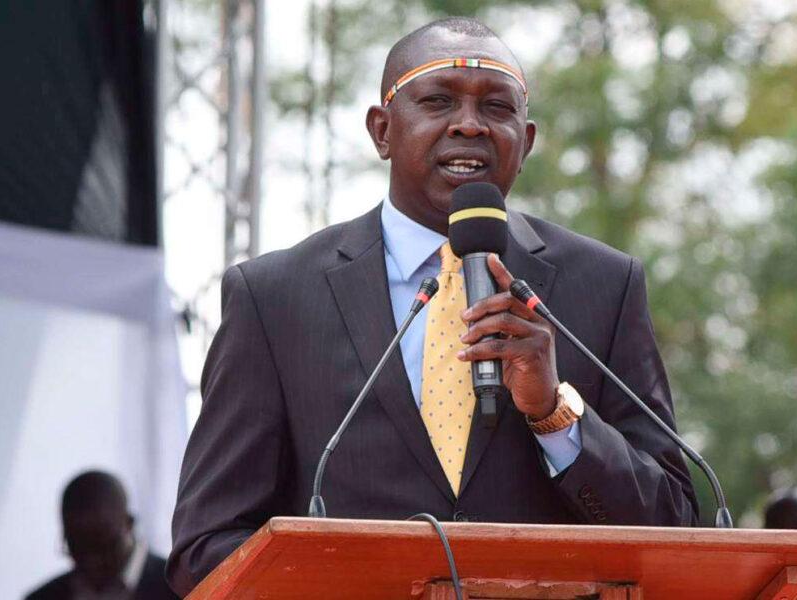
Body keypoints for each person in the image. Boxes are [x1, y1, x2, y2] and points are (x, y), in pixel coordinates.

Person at [168, 16, 698, 595]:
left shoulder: (603, 284)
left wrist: (554, 413)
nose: (468, 125)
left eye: (497, 108)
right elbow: (207, 545)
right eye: (438, 100)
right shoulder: (275, 297)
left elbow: (676, 525)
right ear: (382, 131)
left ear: (527, 139)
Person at [24, 471, 177, 600]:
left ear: (129, 524)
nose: (92, 563)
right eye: (77, 548)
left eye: (104, 547)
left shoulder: (182, 590)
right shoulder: (41, 598)